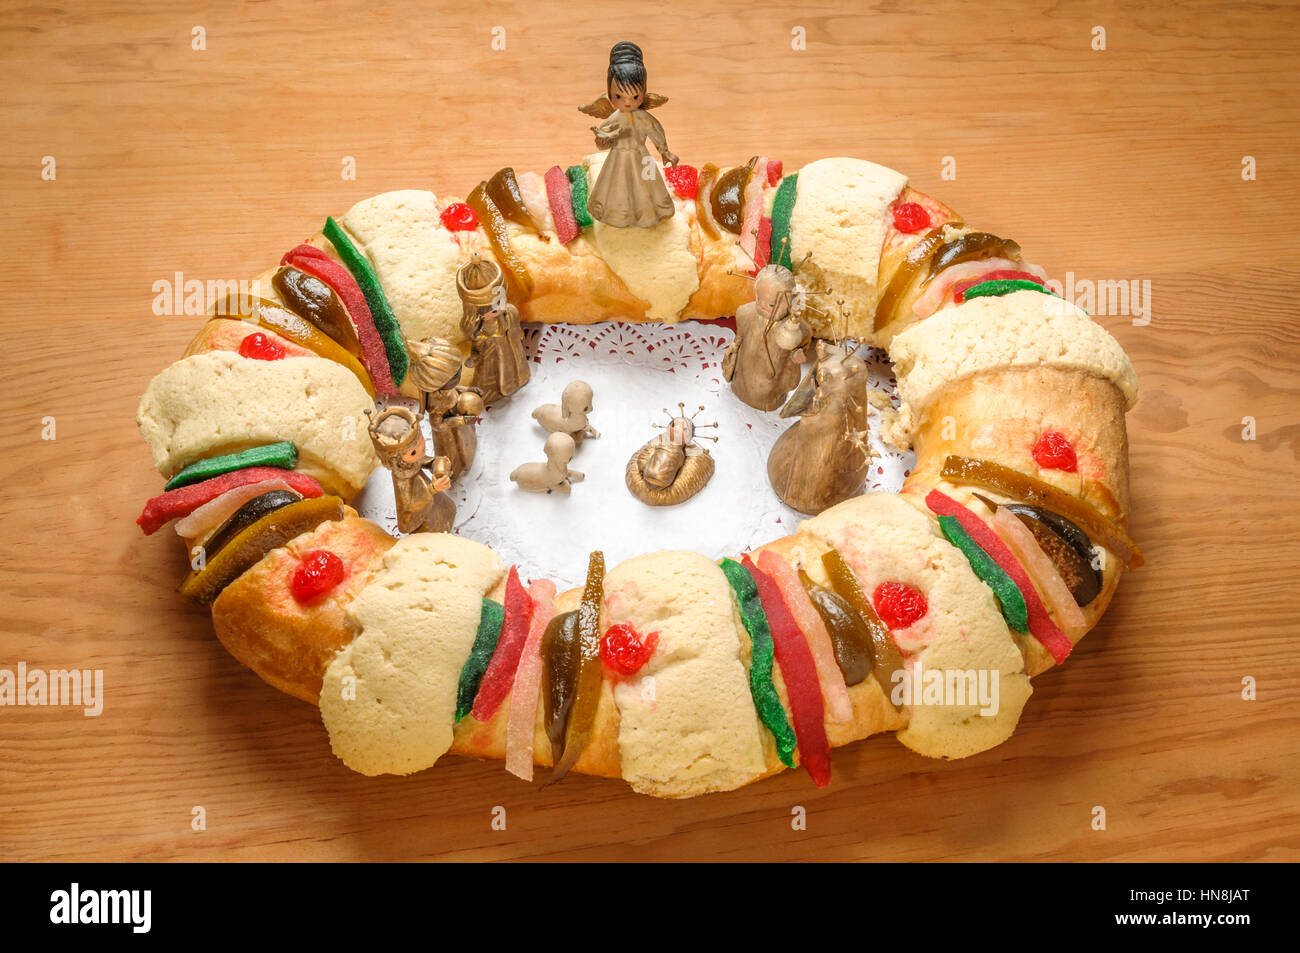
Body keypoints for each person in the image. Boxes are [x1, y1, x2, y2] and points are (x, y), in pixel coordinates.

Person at [579, 41, 679, 228]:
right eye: (619, 97)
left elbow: (655, 130)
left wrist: (665, 151)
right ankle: (619, 217)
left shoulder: (643, 118)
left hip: (642, 157)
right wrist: (602, 137)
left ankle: (648, 216)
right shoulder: (614, 118)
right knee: (618, 189)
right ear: (609, 93)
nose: (627, 102)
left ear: (643, 93)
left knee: (648, 186)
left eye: (634, 97)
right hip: (617, 159)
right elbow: (603, 142)